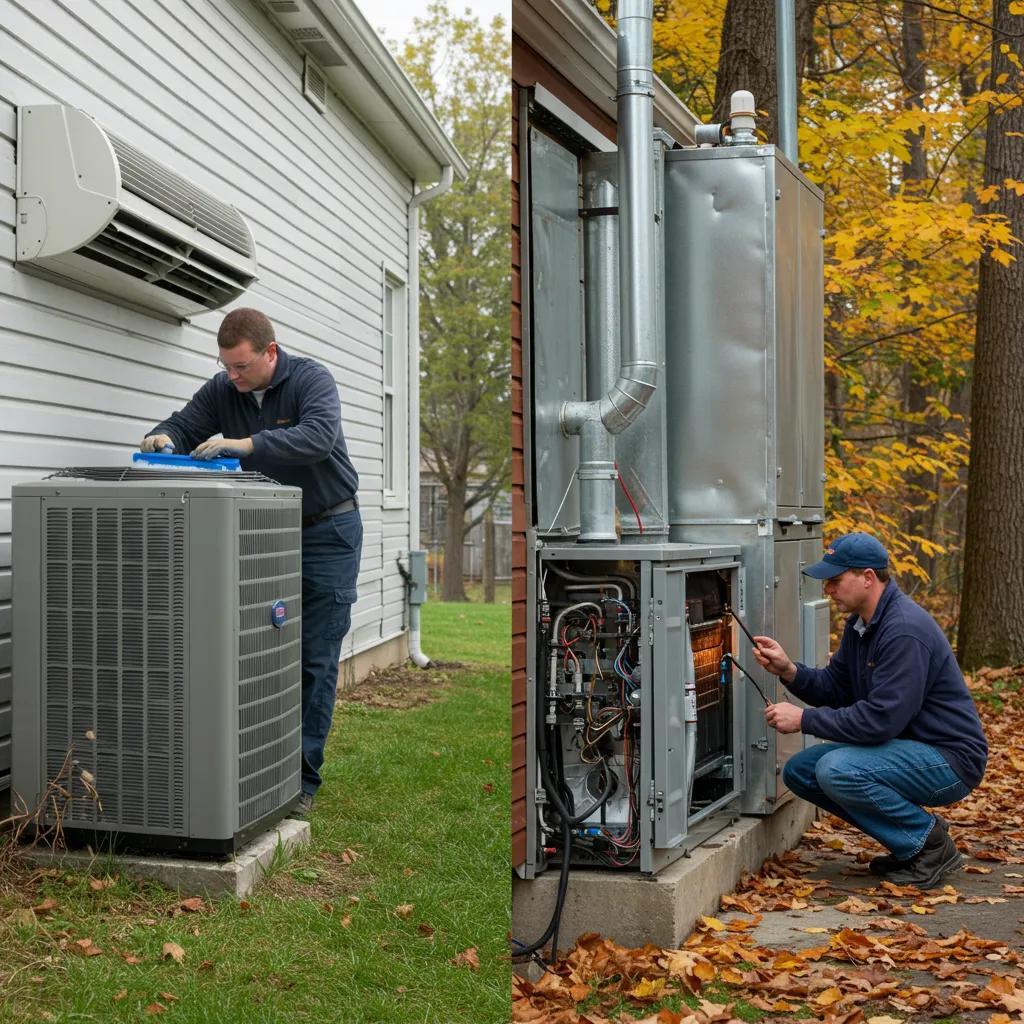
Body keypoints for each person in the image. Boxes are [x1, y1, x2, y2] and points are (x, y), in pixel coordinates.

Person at [140, 308, 362, 816]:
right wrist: (162, 437)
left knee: (314, 659)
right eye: (226, 366)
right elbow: (182, 421)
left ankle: (301, 782)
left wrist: (244, 444)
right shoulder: (224, 389)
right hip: (267, 533)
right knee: (261, 649)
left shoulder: (311, 380)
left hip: (329, 531)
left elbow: (317, 437)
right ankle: (257, 766)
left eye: (241, 367)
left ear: (270, 353)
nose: (232, 378)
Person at [751, 532, 987, 889]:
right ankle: (909, 844)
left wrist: (803, 720)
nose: (828, 589)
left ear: (867, 577)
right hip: (905, 748)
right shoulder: (861, 625)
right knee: (802, 771)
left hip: (949, 760)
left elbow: (879, 721)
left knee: (836, 769)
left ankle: (928, 843)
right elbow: (836, 687)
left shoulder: (903, 630)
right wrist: (789, 670)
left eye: (835, 579)